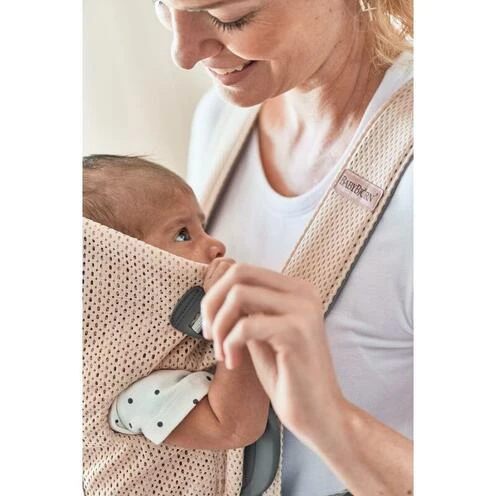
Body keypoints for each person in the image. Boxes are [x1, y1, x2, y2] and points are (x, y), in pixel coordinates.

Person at [152, 1, 413, 495]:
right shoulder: (218, 120)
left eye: (231, 17)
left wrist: (329, 421)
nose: (183, 55)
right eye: (162, 4)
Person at [83, 154, 269, 449]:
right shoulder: (124, 385)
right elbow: (233, 428)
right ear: (121, 272)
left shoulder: (171, 339)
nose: (217, 245)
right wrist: (235, 323)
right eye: (183, 235)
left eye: (202, 228)